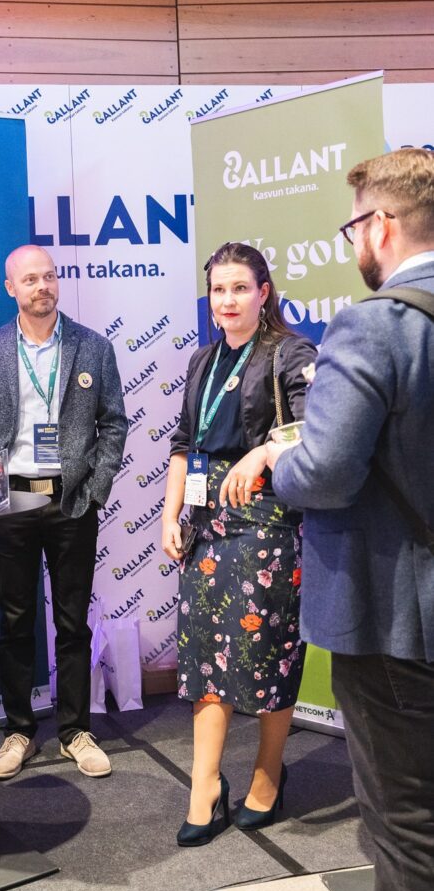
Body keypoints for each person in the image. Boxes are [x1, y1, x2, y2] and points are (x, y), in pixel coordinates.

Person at [269, 148, 434, 891]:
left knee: (406, 830)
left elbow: (326, 472)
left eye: (351, 228)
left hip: (396, 620)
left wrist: (277, 464)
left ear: (381, 225)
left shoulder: (372, 324)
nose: (352, 244)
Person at [160, 242, 316, 847]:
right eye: (218, 290)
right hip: (206, 525)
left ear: (263, 292)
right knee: (205, 659)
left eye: (240, 288)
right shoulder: (202, 360)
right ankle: (204, 786)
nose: (227, 301)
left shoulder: (290, 352)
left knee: (270, 655)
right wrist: (170, 515)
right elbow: (183, 443)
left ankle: (268, 772)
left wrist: (263, 452)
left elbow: (317, 428)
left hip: (267, 526)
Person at [0, 244, 127, 780]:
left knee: (72, 622)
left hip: (72, 502)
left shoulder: (93, 347)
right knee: (14, 621)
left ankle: (75, 731)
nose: (42, 286)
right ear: (11, 288)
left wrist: (96, 488)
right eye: (30, 279)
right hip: (10, 503)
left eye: (49, 276)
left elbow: (113, 423)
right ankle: (19, 731)